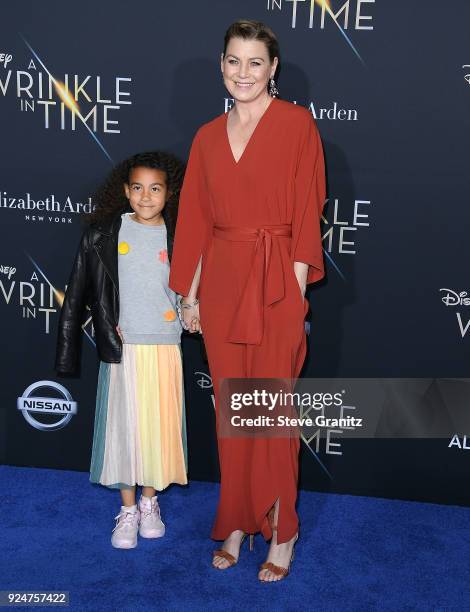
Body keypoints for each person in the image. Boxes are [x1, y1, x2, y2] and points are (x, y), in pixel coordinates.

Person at [169, 20, 326, 581]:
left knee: (272, 412)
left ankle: (281, 530)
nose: (243, 73)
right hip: (222, 288)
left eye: (255, 62)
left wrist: (297, 286)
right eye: (233, 61)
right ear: (221, 66)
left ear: (273, 68)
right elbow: (194, 223)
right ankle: (235, 521)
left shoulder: (296, 124)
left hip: (278, 282)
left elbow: (309, 205)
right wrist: (189, 296)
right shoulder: (207, 136)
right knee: (231, 412)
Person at [55, 151, 188, 549]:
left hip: (165, 346)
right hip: (123, 348)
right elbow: (76, 293)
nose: (146, 197)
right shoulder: (103, 233)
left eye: (155, 188)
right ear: (124, 191)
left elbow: (195, 291)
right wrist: (67, 351)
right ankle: (128, 510)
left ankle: (150, 502)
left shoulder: (179, 233)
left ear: (170, 193)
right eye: (137, 188)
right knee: (124, 431)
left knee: (158, 430)